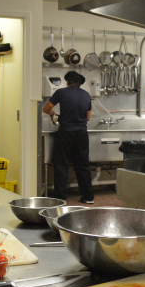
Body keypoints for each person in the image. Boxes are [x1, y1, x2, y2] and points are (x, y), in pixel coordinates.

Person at [42, 71, 94, 204]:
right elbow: (88, 117)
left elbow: (46, 109)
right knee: (83, 165)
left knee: (61, 164)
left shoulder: (61, 92)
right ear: (80, 84)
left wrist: (52, 112)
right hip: (82, 133)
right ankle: (88, 197)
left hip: (66, 132)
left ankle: (60, 198)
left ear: (67, 82)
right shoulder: (86, 95)